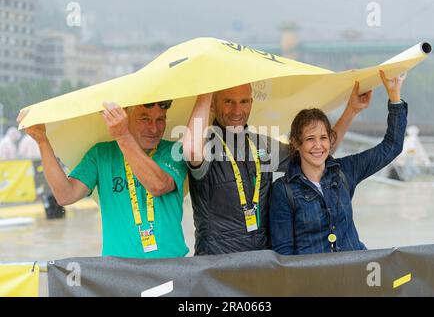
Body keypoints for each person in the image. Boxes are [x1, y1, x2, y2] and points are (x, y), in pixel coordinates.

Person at [183, 82, 373, 255]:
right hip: (219, 264)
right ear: (213, 106)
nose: (237, 110)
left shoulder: (261, 145)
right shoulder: (204, 145)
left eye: (243, 101)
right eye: (228, 101)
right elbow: (191, 151)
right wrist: (205, 93)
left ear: (251, 102)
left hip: (261, 262)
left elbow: (316, 152)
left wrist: (351, 111)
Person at [17, 100, 189, 259]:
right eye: (145, 119)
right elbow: (65, 196)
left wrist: (122, 136)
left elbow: (158, 186)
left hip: (171, 266)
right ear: (125, 116)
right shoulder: (101, 154)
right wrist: (42, 141)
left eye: (161, 120)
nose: (154, 129)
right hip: (117, 270)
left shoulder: (175, 150)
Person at [269, 70, 408, 255]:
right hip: (317, 279)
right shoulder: (282, 190)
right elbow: (283, 254)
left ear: (330, 140)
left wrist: (394, 96)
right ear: (295, 143)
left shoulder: (345, 172)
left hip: (355, 271)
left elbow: (392, 147)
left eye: (323, 138)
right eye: (310, 138)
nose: (318, 146)